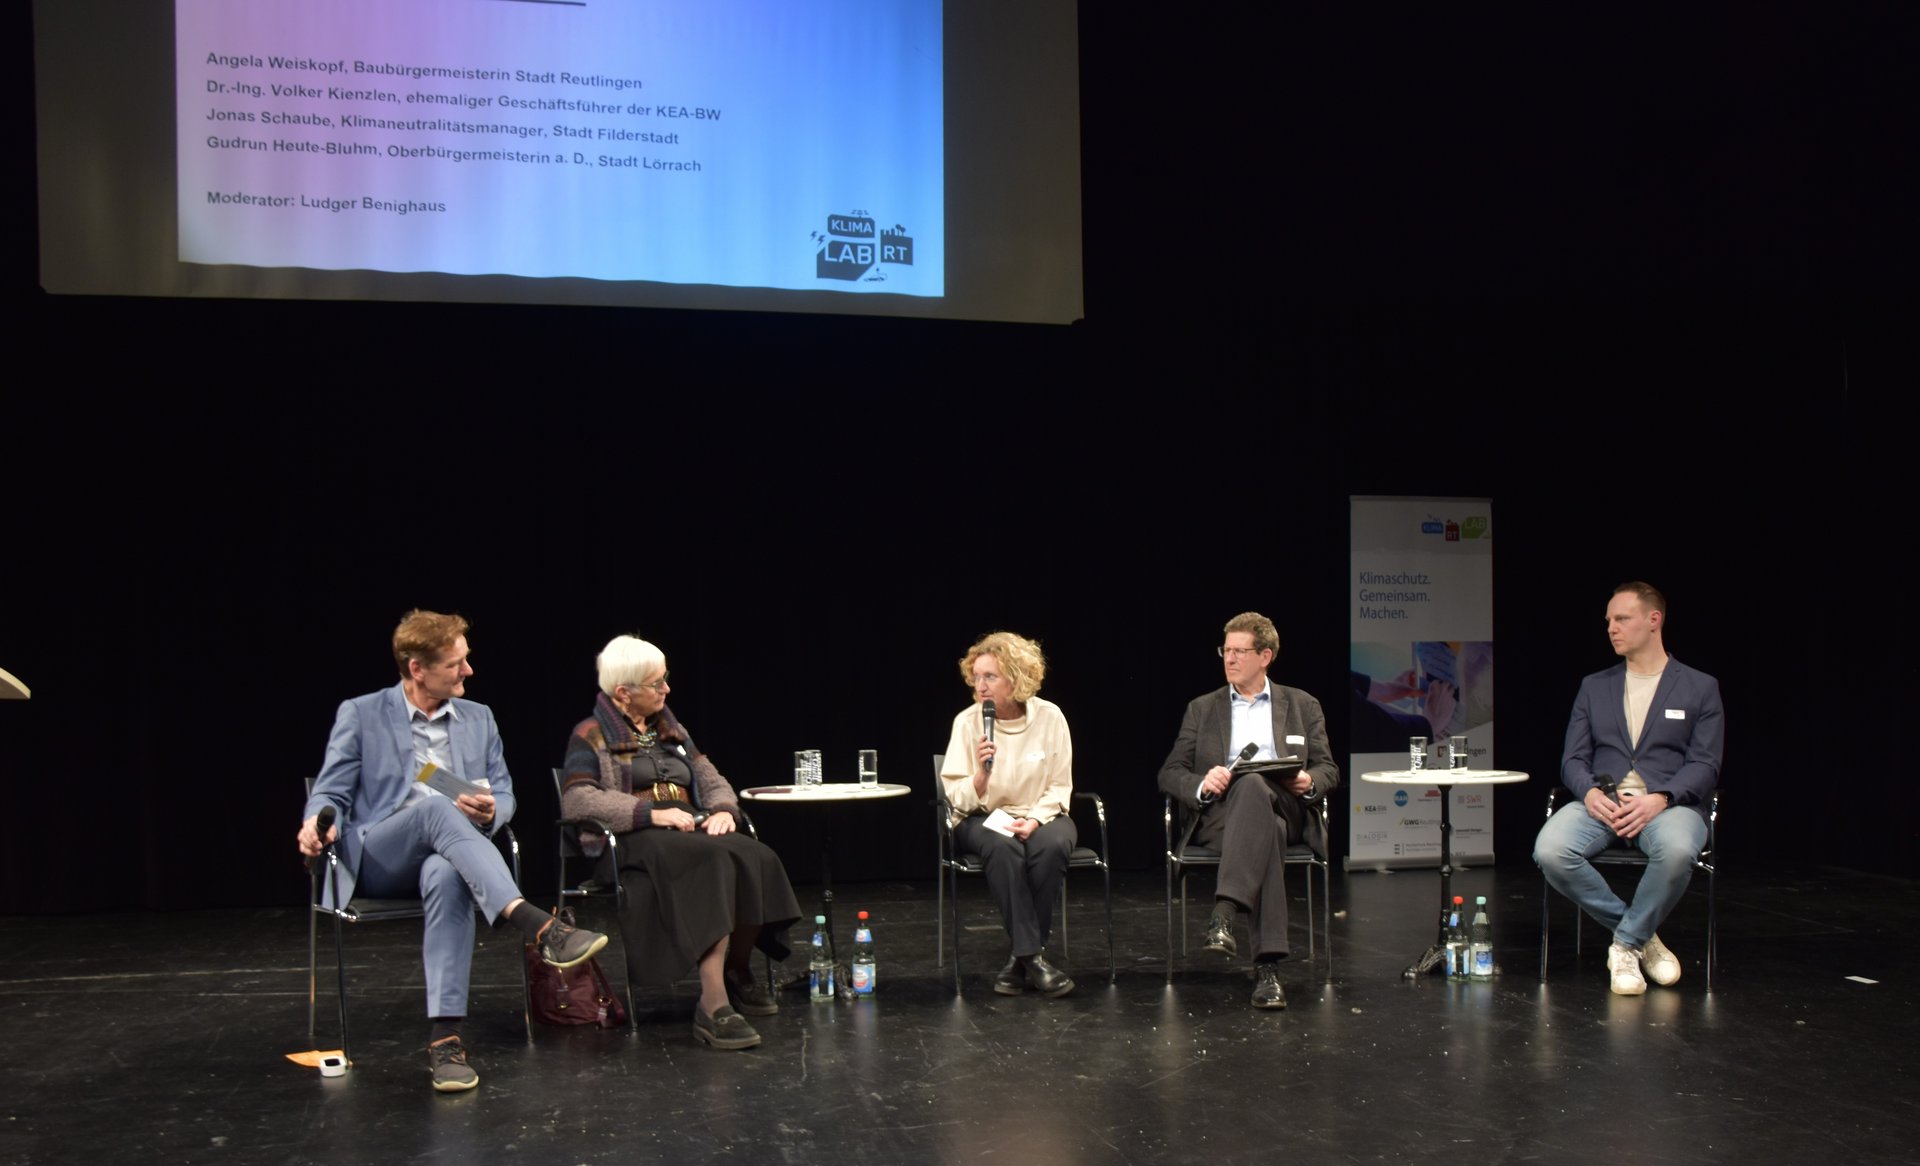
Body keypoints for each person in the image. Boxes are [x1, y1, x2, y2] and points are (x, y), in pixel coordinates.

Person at [300, 610, 607, 1093]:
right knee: (436, 809)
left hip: (452, 855)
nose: (469, 670)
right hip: (381, 855)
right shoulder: (361, 713)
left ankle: (445, 1040)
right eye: (454, 664)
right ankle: (537, 924)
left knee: (446, 873)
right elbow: (330, 792)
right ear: (417, 669)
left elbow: (504, 792)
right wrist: (314, 820)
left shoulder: (478, 717)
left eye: (467, 659)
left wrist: (493, 811)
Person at [560, 635, 800, 1050]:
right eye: (656, 683)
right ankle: (713, 1003)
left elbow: (711, 777)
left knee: (757, 856)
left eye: (665, 678)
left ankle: (737, 968)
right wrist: (648, 813)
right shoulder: (591, 733)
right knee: (709, 860)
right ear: (624, 692)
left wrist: (724, 809)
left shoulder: (671, 730)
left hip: (687, 827)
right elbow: (579, 799)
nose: (667, 689)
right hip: (632, 837)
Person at [1535, 581, 1722, 995]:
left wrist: (1662, 798)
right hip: (1602, 804)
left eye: (1621, 619)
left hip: (1669, 806)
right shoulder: (1594, 686)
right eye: (1608, 621)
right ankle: (1641, 938)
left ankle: (1624, 946)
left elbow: (1706, 764)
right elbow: (1572, 759)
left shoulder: (1699, 687)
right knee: (1550, 850)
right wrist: (1589, 793)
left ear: (1654, 620)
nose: (1611, 628)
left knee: (1678, 850)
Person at [1158, 612, 1340, 1010]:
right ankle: (1268, 970)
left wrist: (1309, 780)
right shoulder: (1202, 709)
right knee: (1264, 823)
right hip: (1222, 816)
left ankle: (1224, 912)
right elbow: (1170, 773)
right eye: (1226, 650)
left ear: (1265, 656)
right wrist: (1203, 783)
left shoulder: (1302, 704)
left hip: (1287, 805)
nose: (1229, 659)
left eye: (1240, 651)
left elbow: (1328, 768)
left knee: (1258, 788)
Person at [939, 631, 1077, 998]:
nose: (980, 686)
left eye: (990, 676)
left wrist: (1034, 819)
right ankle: (1033, 957)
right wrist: (980, 777)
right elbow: (955, 796)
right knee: (1003, 846)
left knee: (1052, 845)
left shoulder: (1050, 717)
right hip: (981, 816)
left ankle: (1020, 961)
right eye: (976, 677)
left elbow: (1060, 785)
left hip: (1040, 814)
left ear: (1016, 679)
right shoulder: (967, 722)